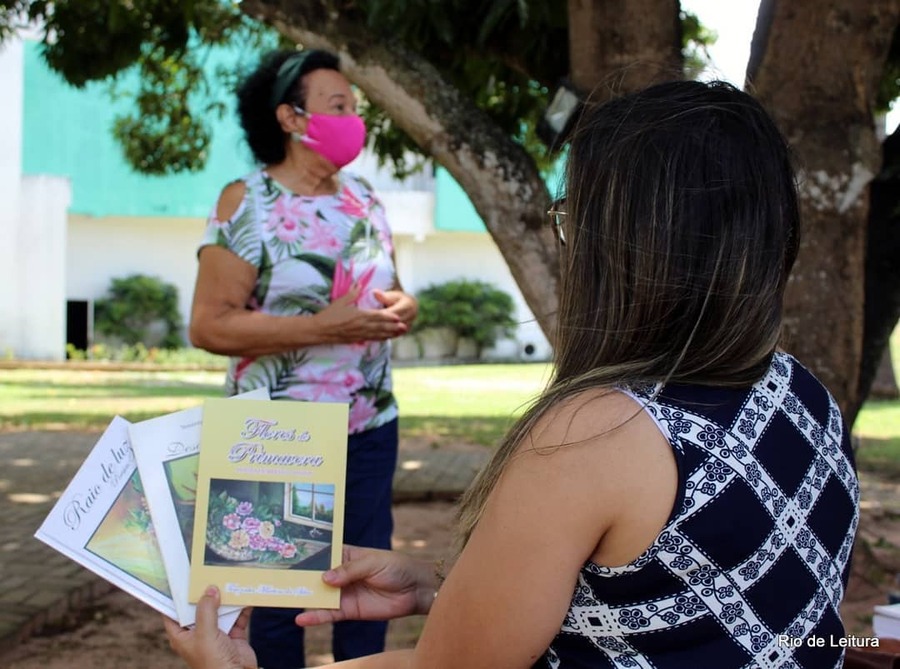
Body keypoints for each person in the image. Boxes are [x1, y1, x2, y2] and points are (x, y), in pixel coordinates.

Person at [169, 79, 860, 668]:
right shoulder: (808, 399)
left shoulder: (598, 434)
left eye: (572, 218)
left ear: (621, 247)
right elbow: (667, 619)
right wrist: (448, 590)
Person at [187, 48, 417, 668]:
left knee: (365, 587)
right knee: (277, 599)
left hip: (368, 428)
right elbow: (209, 324)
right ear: (291, 118)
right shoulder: (249, 201)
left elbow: (384, 285)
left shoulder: (366, 199)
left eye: (353, 107)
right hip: (274, 434)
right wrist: (318, 327)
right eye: (337, 105)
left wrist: (402, 304)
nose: (352, 118)